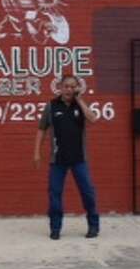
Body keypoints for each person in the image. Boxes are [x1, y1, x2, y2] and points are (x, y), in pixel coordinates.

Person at [33, 74, 100, 240]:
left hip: (79, 159)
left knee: (88, 193)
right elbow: (41, 129)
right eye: (66, 86)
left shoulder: (80, 105)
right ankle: (55, 228)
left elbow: (93, 119)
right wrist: (36, 152)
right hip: (58, 160)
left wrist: (80, 100)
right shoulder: (51, 106)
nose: (69, 89)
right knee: (55, 194)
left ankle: (93, 225)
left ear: (77, 88)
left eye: (73, 86)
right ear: (60, 88)